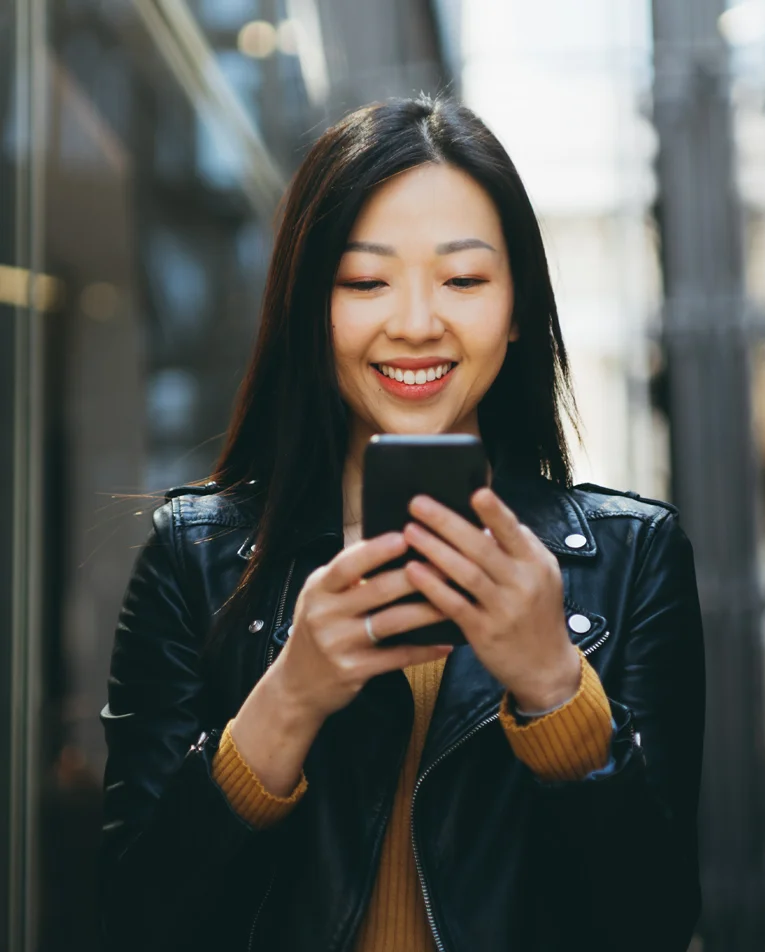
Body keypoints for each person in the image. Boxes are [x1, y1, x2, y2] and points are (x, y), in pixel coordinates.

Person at [100, 96, 705, 952]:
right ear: (312, 308)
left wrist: (554, 688)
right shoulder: (192, 558)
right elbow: (135, 922)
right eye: (364, 281)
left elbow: (654, 923)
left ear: (520, 309)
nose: (416, 323)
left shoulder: (633, 558)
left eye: (463, 279)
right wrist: (291, 696)